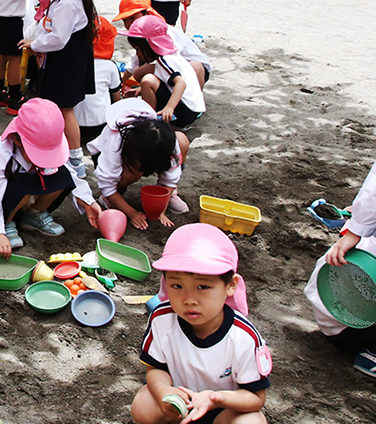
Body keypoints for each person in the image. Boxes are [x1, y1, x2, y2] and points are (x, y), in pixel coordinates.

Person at [132, 223, 270, 424]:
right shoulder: (161, 318)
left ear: (230, 285)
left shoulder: (243, 337)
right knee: (143, 404)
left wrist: (216, 399)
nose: (189, 299)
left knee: (251, 421)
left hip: (223, 410)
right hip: (178, 403)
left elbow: (256, 398)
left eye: (203, 286)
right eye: (177, 285)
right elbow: (156, 368)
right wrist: (164, 391)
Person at [0, 98, 100, 256]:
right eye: (39, 152)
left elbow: (71, 174)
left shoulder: (38, 149)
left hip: (21, 193)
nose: (45, 158)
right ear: (17, 140)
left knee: (62, 175)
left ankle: (33, 215)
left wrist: (88, 202)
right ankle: (6, 223)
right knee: (23, 186)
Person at [19, 0, 99, 179]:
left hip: (64, 62)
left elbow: (57, 38)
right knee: (60, 110)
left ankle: (75, 159)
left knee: (64, 111)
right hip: (67, 59)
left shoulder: (67, 2)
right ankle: (62, 154)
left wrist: (35, 45)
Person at [304, 159, 376, 379]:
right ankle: (371, 354)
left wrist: (356, 226)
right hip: (352, 325)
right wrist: (356, 229)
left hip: (337, 317)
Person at [87, 99, 190, 229]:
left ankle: (169, 196)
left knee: (182, 140)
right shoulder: (116, 142)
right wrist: (132, 213)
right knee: (134, 172)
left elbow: (171, 177)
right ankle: (115, 195)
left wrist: (160, 210)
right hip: (106, 157)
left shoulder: (166, 141)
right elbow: (106, 185)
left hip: (140, 155)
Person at [115, 0, 212, 90]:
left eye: (133, 18)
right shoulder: (142, 32)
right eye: (125, 20)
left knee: (194, 67)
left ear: (147, 13)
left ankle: (192, 100)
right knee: (139, 72)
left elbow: (174, 58)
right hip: (171, 68)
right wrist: (119, 82)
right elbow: (136, 60)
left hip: (188, 67)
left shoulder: (160, 30)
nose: (128, 24)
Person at [122, 15, 206, 129]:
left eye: (138, 49)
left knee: (147, 80)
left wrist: (169, 107)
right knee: (148, 80)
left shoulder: (165, 60)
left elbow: (181, 83)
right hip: (192, 109)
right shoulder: (171, 56)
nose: (138, 54)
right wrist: (140, 90)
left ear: (149, 45)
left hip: (186, 111)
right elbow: (166, 81)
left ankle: (149, 122)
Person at [73, 14, 122, 150]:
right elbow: (116, 99)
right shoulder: (110, 67)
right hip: (100, 127)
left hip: (73, 126)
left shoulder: (73, 63)